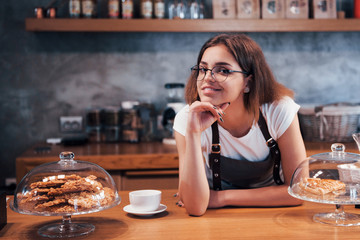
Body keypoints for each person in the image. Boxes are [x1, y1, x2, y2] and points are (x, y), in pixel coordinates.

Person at [173, 33, 306, 216]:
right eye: (203, 69)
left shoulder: (278, 111)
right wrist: (194, 132)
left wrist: (221, 198)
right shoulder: (187, 119)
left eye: (223, 70)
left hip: (274, 215)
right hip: (214, 221)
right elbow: (195, 207)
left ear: (248, 83)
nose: (207, 78)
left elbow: (298, 192)